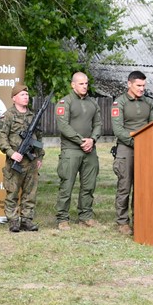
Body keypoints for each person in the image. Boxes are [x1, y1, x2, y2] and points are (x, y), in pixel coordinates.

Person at [110, 71, 153, 235]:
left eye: (144, 85)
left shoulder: (149, 102)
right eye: (138, 85)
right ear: (129, 84)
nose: (142, 89)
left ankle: (140, 219)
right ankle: (122, 222)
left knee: (142, 186)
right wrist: (137, 142)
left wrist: (146, 143)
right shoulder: (119, 103)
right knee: (124, 186)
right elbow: (118, 130)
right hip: (126, 148)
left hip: (146, 149)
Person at [55, 71, 102, 230]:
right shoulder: (65, 102)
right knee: (66, 185)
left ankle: (85, 216)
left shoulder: (93, 103)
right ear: (73, 85)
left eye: (86, 83)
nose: (84, 86)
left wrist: (92, 139)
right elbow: (63, 126)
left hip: (90, 150)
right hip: (71, 150)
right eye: (81, 83)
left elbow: (98, 124)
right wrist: (81, 141)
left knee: (89, 185)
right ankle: (62, 218)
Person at [0, 83, 44, 233]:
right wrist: (11, 153)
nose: (26, 97)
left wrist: (39, 157)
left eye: (27, 95)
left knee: (30, 193)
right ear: (14, 98)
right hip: (15, 161)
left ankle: (26, 220)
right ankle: (13, 221)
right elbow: (1, 138)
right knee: (12, 192)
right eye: (22, 95)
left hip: (31, 161)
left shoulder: (33, 116)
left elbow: (38, 138)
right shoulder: (8, 115)